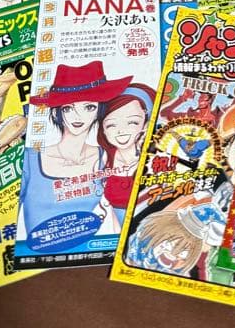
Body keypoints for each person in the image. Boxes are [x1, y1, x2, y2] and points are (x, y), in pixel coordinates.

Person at [19, 62, 132, 239]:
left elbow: (126, 220)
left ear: (99, 111)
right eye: (68, 108)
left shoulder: (108, 157)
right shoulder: (30, 158)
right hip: (40, 251)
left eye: (89, 107)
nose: (78, 116)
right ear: (56, 113)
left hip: (97, 249)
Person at [96, 83, 156, 229]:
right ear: (103, 129)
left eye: (132, 122)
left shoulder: (155, 158)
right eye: (111, 125)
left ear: (146, 124)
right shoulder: (103, 159)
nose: (121, 131)